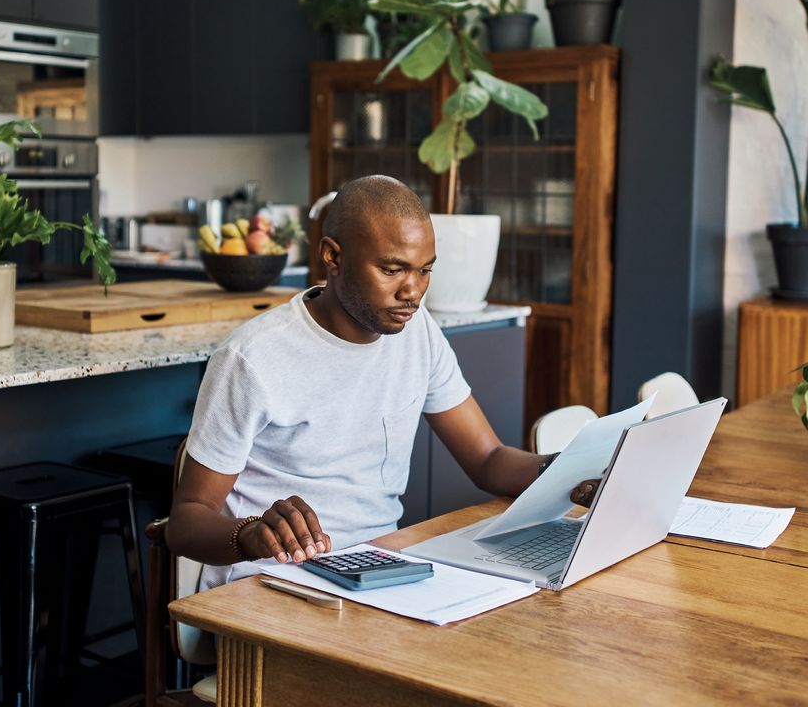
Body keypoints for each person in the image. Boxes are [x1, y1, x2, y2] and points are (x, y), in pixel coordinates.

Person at [166, 175, 599, 590]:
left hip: (380, 570)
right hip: (272, 582)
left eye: (424, 270)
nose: (412, 291)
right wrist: (250, 533)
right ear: (332, 257)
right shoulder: (253, 358)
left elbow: (487, 459)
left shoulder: (418, 332)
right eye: (392, 270)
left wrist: (572, 472)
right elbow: (186, 522)